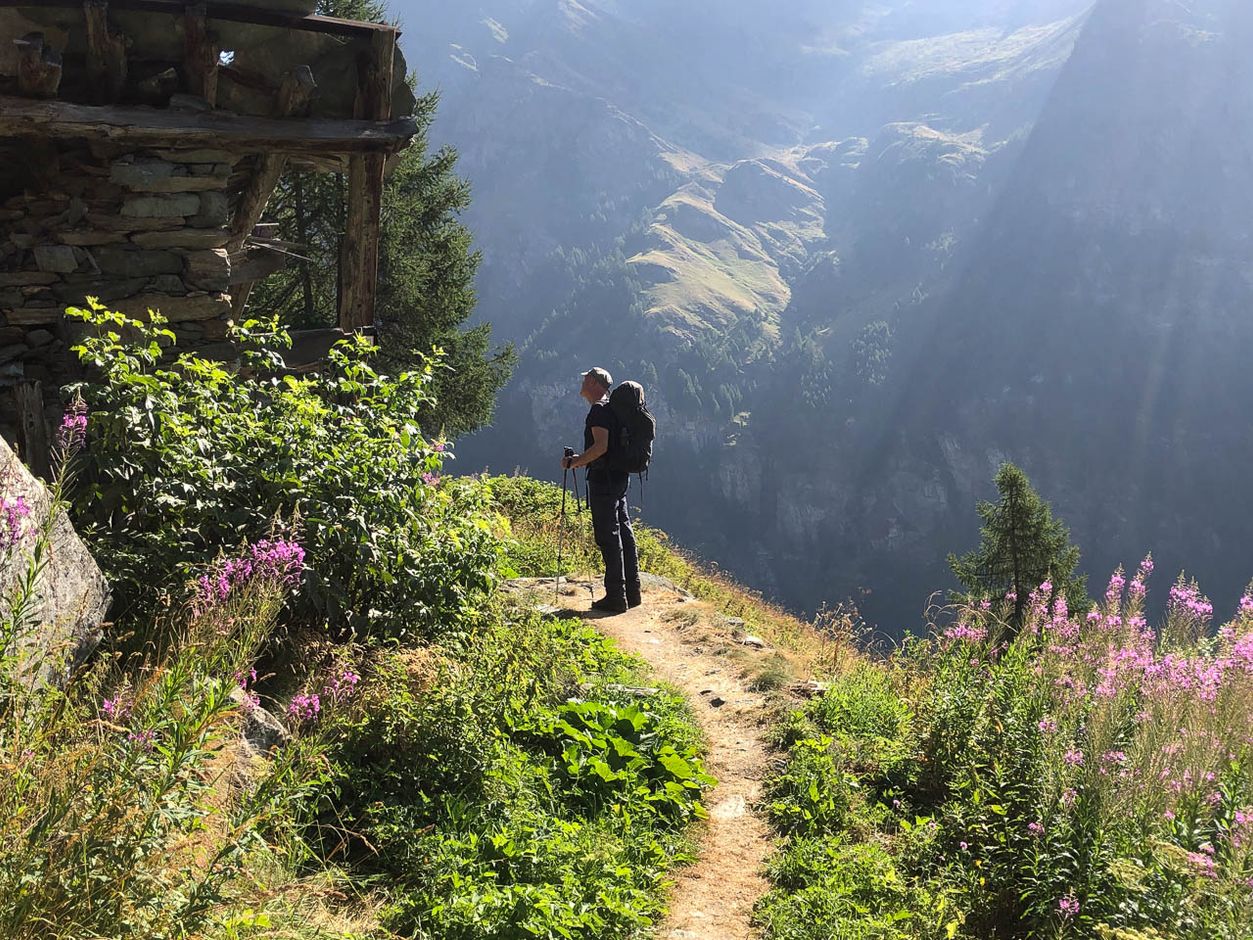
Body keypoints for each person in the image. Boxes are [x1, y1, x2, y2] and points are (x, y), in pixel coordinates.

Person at [561, 366, 641, 613]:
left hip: (603, 480)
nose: (582, 381)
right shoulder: (613, 409)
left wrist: (576, 461)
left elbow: (601, 447)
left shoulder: (598, 411)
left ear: (595, 383)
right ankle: (632, 592)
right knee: (624, 532)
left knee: (608, 536)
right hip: (619, 477)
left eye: (586, 378)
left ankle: (616, 596)